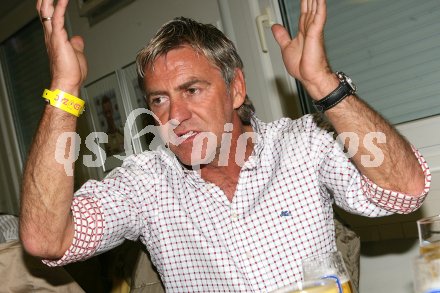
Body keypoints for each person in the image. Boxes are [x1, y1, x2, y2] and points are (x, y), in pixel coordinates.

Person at [20, 0, 430, 292]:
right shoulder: (146, 184)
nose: (175, 115)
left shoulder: (303, 144)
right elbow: (45, 239)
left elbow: (406, 191)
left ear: (235, 89)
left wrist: (323, 83)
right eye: (159, 99)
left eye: (192, 90)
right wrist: (63, 89)